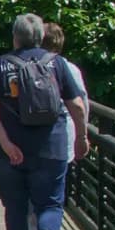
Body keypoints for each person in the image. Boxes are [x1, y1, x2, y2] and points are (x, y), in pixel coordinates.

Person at [0, 13, 89, 230]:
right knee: (50, 203)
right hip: (51, 147)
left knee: (15, 207)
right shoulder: (58, 64)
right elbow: (76, 104)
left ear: (15, 37)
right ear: (40, 37)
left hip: (10, 151)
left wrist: (5, 143)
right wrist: (82, 137)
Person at [43, 22, 88, 164]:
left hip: (32, 138)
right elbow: (80, 105)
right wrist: (82, 136)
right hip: (63, 137)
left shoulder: (26, 65)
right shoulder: (70, 68)